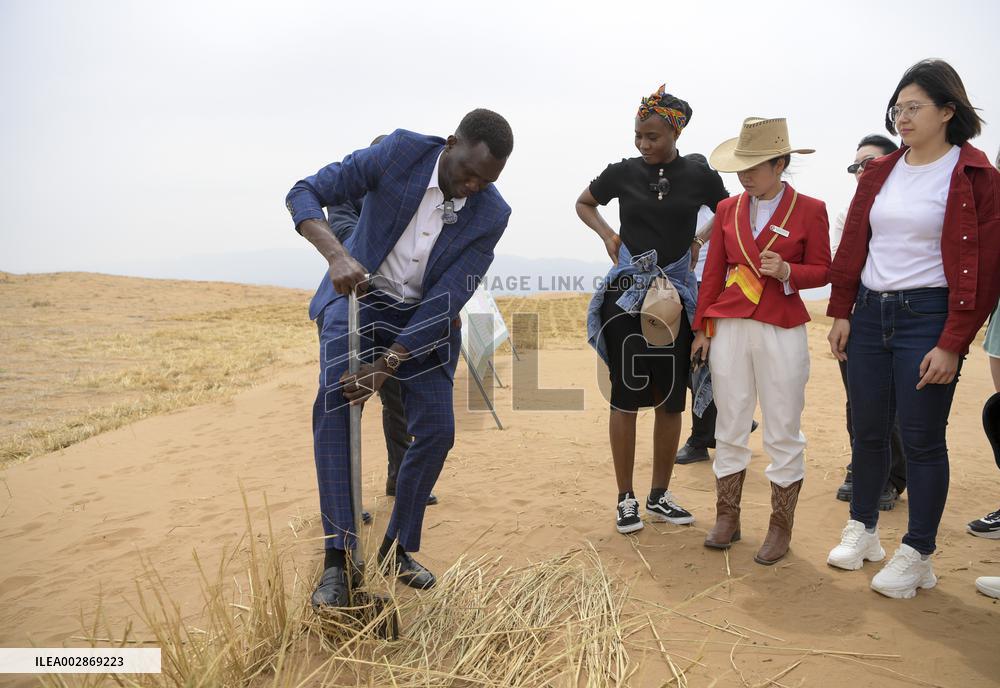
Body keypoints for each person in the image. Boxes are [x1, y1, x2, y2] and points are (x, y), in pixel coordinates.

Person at [285, 109, 513, 608]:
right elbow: (304, 191)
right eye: (467, 172)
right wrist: (337, 255)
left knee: (436, 431)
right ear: (451, 143)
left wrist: (385, 366)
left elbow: (450, 296)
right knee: (335, 402)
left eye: (485, 180)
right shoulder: (400, 152)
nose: (472, 187)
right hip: (360, 300)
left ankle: (396, 548)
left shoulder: (492, 213)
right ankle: (338, 561)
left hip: (421, 320)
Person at [825, 59, 1000, 599]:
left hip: (929, 315)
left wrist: (953, 342)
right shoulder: (879, 172)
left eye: (913, 107)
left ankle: (918, 552)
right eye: (896, 108)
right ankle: (865, 530)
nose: (902, 117)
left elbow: (988, 265)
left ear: (949, 111)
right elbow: (855, 243)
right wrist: (841, 310)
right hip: (870, 312)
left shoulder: (976, 176)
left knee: (922, 440)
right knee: (868, 430)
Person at [579, 84, 729, 534]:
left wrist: (699, 241)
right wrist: (608, 235)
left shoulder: (700, 177)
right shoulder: (620, 173)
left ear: (675, 133)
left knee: (670, 401)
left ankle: (659, 495)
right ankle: (625, 498)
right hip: (626, 294)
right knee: (625, 398)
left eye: (653, 137)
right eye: (638, 135)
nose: (643, 144)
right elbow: (584, 202)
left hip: (679, 297)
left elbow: (726, 213)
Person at [692, 117, 831, 565]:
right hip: (730, 324)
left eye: (754, 165)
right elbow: (713, 272)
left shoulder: (811, 208)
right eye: (740, 165)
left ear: (781, 163)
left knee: (783, 425)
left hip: (781, 325)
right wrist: (701, 328)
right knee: (729, 420)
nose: (744, 175)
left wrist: (790, 272)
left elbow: (825, 269)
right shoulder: (728, 209)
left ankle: (779, 526)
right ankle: (727, 516)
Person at [320, 134, 437, 510]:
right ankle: (348, 500)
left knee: (398, 401)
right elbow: (347, 235)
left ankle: (398, 479)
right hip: (353, 311)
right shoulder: (348, 192)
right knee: (347, 403)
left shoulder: (416, 198)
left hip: (398, 316)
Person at [832, 135, 907, 510]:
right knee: (859, 399)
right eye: (857, 165)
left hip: (907, 314)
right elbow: (840, 266)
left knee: (899, 402)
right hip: (859, 313)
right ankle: (863, 467)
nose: (862, 170)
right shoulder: (848, 214)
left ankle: (891, 476)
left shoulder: (909, 206)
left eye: (870, 162)